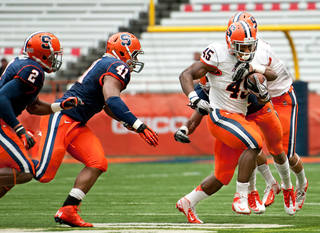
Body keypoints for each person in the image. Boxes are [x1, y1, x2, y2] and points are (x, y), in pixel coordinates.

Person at [34, 32, 159, 228]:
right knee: (41, 173)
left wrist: (127, 123)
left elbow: (106, 105)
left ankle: (68, 210)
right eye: (133, 54)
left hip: (77, 123)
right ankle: (17, 155)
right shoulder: (117, 66)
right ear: (122, 52)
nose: (134, 60)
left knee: (97, 162)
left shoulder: (107, 64)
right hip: (61, 119)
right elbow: (112, 99)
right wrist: (138, 124)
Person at [175, 21, 294, 224]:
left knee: (222, 177)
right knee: (255, 141)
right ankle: (242, 195)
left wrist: (254, 68)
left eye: (250, 46)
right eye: (242, 46)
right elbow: (186, 74)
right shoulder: (217, 56)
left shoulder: (256, 57)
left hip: (238, 118)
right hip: (221, 116)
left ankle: (187, 201)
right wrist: (193, 100)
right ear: (230, 44)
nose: (247, 50)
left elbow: (271, 74)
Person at [228, 12, 308, 212]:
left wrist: (251, 68)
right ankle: (270, 183)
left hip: (281, 96)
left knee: (283, 153)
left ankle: (300, 183)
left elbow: (267, 78)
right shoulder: (229, 52)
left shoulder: (260, 51)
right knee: (251, 143)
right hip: (257, 100)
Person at [174, 76, 281, 213]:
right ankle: (252, 192)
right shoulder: (207, 93)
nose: (208, 89)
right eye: (206, 86)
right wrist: (184, 130)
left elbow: (263, 82)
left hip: (252, 113)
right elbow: (194, 119)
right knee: (250, 145)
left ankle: (187, 202)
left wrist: (256, 80)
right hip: (225, 122)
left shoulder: (233, 78)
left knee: (250, 146)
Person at [0, 31, 81, 199]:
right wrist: (19, 129)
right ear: (41, 55)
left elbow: (34, 106)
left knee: (14, 171)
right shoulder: (33, 70)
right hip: (2, 123)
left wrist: (60, 106)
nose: (54, 59)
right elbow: (1, 98)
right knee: (25, 170)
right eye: (52, 55)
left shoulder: (26, 64)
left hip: (3, 122)